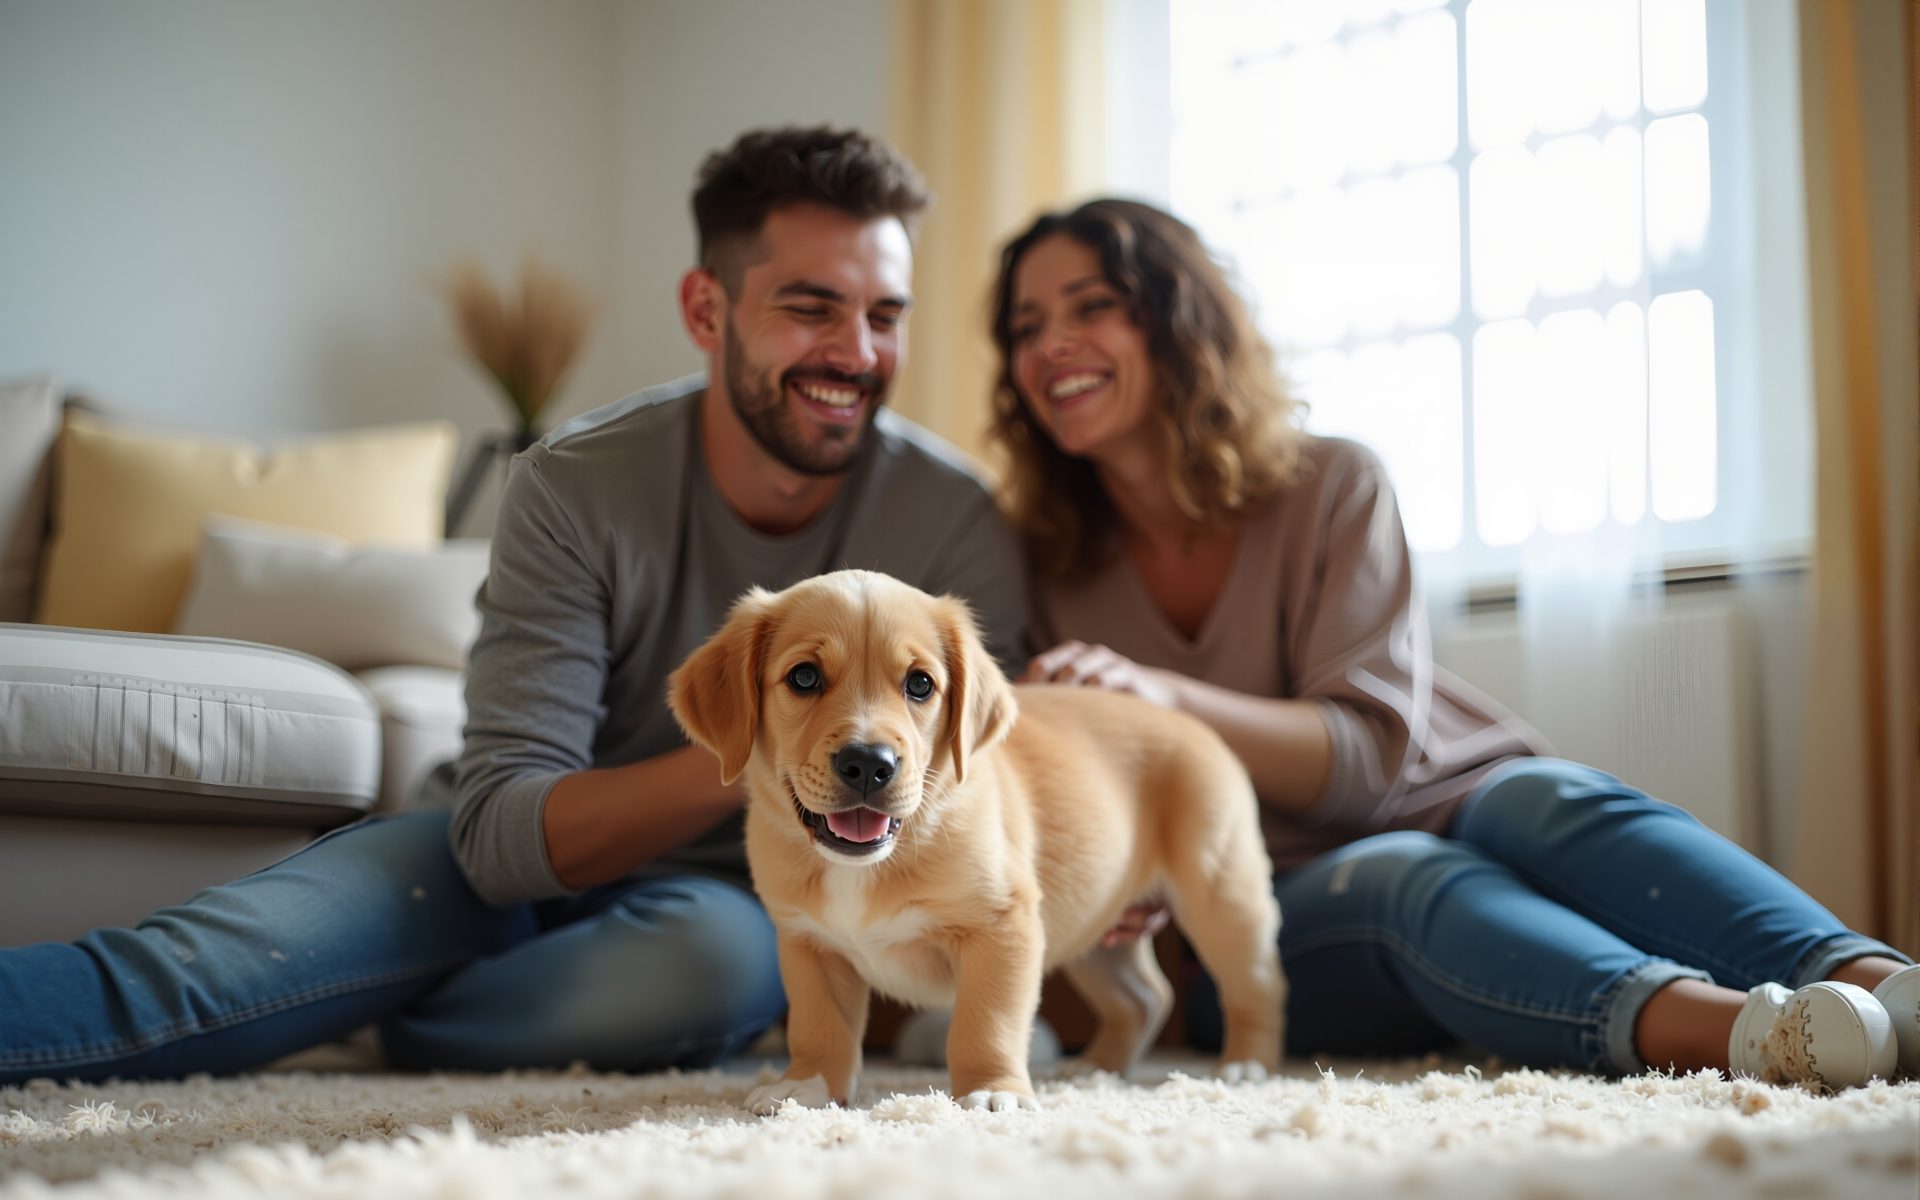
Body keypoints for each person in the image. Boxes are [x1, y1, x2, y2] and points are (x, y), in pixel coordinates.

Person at [0, 126, 1028, 1084]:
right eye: (811, 308)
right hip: (494, 860)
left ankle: (365, 1013)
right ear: (706, 310)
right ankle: (315, 989)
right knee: (201, 969)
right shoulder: (573, 482)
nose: (856, 352)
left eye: (884, 315)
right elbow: (500, 836)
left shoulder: (952, 527)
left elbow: (975, 807)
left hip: (726, 905)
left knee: (716, 967)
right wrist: (766, 750)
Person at [986, 197, 1919, 1088]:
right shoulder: (1039, 563)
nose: (1051, 345)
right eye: (1025, 328)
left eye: (1092, 307)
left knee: (1548, 798)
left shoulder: (1332, 482)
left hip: (1452, 790)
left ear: (1177, 322)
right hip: (1253, 898)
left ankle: (1887, 991)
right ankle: (1768, 1038)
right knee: (1408, 877)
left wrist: (1164, 696)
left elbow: (1364, 764)